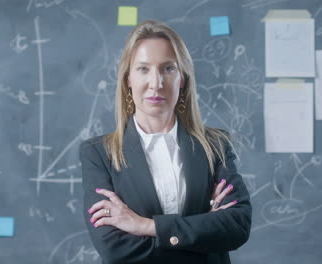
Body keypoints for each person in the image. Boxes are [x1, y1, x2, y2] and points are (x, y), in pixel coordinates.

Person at [79, 20, 251, 264]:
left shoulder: (215, 145)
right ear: (128, 78)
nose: (156, 83)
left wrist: (144, 226)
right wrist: (202, 233)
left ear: (182, 78)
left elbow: (237, 226)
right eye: (143, 69)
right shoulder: (98, 154)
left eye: (168, 69)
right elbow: (115, 249)